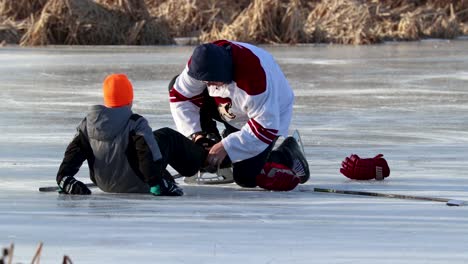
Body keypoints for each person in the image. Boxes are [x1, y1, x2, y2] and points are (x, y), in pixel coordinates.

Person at [168, 40, 310, 191]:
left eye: (214, 81)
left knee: (246, 177)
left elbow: (264, 129)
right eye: (206, 81)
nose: (209, 86)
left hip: (265, 117)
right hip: (229, 106)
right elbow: (180, 96)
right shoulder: (201, 61)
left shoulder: (255, 80)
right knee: (177, 85)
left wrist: (227, 146)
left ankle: (287, 154)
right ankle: (210, 141)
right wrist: (196, 135)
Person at [56, 73, 208, 196]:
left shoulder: (88, 123)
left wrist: (63, 177)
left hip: (104, 183)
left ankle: (163, 176)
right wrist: (157, 184)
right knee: (166, 136)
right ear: (129, 98)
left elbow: (73, 153)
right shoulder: (135, 123)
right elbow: (146, 153)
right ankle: (206, 159)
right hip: (139, 182)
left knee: (148, 142)